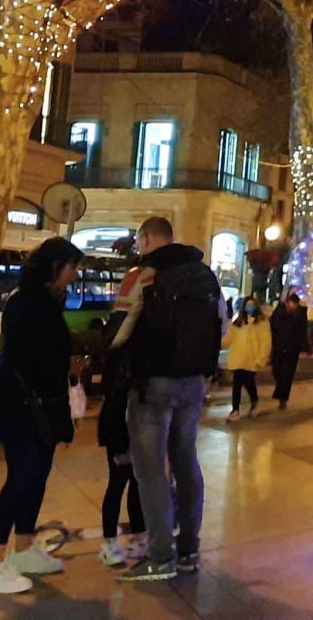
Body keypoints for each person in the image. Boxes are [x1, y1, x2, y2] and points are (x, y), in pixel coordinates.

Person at [109, 216, 227, 582]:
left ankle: (160, 556)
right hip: (194, 382)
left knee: (150, 471)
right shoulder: (205, 275)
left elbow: (118, 333)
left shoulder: (142, 274)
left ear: (146, 238)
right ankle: (188, 549)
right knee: (186, 461)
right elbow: (222, 325)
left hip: (153, 384)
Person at [0, 237, 81, 595]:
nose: (74, 275)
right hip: (20, 406)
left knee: (36, 478)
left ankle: (23, 550)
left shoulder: (49, 303)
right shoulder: (24, 303)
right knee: (20, 479)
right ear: (53, 267)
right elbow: (28, 356)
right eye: (71, 267)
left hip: (43, 405)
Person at [96, 312, 145, 569]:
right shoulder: (120, 361)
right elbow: (115, 401)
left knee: (134, 483)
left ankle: (137, 537)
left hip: (131, 427)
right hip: (119, 429)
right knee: (119, 483)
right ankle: (110, 542)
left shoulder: (125, 357)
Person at [224, 296, 271, 421]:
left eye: (252, 305)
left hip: (252, 359)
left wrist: (261, 358)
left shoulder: (262, 323)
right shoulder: (238, 322)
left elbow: (266, 342)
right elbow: (229, 338)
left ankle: (254, 402)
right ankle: (235, 409)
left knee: (249, 382)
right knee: (237, 383)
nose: (250, 307)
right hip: (238, 357)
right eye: (248, 305)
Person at [269, 292, 309, 409]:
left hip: (292, 348)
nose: (292, 308)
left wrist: (305, 347)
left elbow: (303, 331)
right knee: (276, 370)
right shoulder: (278, 312)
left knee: (287, 374)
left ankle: (283, 399)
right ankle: (280, 391)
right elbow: (272, 327)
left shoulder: (300, 315)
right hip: (278, 346)